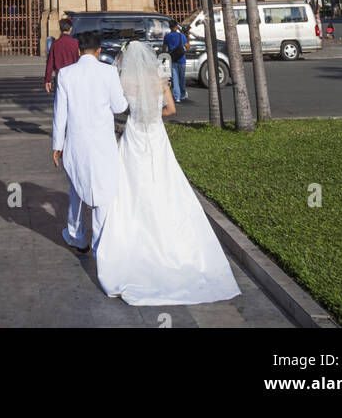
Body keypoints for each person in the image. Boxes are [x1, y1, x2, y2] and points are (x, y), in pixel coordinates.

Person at [95, 40, 241, 306]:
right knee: (164, 179)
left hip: (135, 134)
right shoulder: (159, 80)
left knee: (131, 185)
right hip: (155, 134)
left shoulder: (126, 82)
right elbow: (171, 110)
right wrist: (155, 114)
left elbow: (120, 108)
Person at [52, 30, 128, 254]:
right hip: (103, 143)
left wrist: (57, 145)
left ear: (78, 50)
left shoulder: (65, 74)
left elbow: (60, 114)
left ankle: (77, 237)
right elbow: (119, 107)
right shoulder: (109, 72)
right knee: (102, 191)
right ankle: (100, 243)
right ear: (99, 50)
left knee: (76, 188)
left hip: (75, 143)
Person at [44, 16, 81, 93]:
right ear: (70, 28)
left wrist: (48, 80)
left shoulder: (55, 44)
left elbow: (50, 63)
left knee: (60, 100)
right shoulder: (75, 43)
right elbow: (79, 60)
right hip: (73, 75)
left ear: (60, 29)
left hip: (60, 75)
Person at [162, 18, 190, 103]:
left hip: (173, 59)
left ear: (170, 27)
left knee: (175, 78)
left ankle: (177, 97)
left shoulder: (167, 36)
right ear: (176, 27)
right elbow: (188, 47)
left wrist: (164, 57)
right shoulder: (181, 36)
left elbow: (164, 48)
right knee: (182, 78)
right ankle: (182, 94)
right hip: (182, 59)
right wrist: (188, 38)